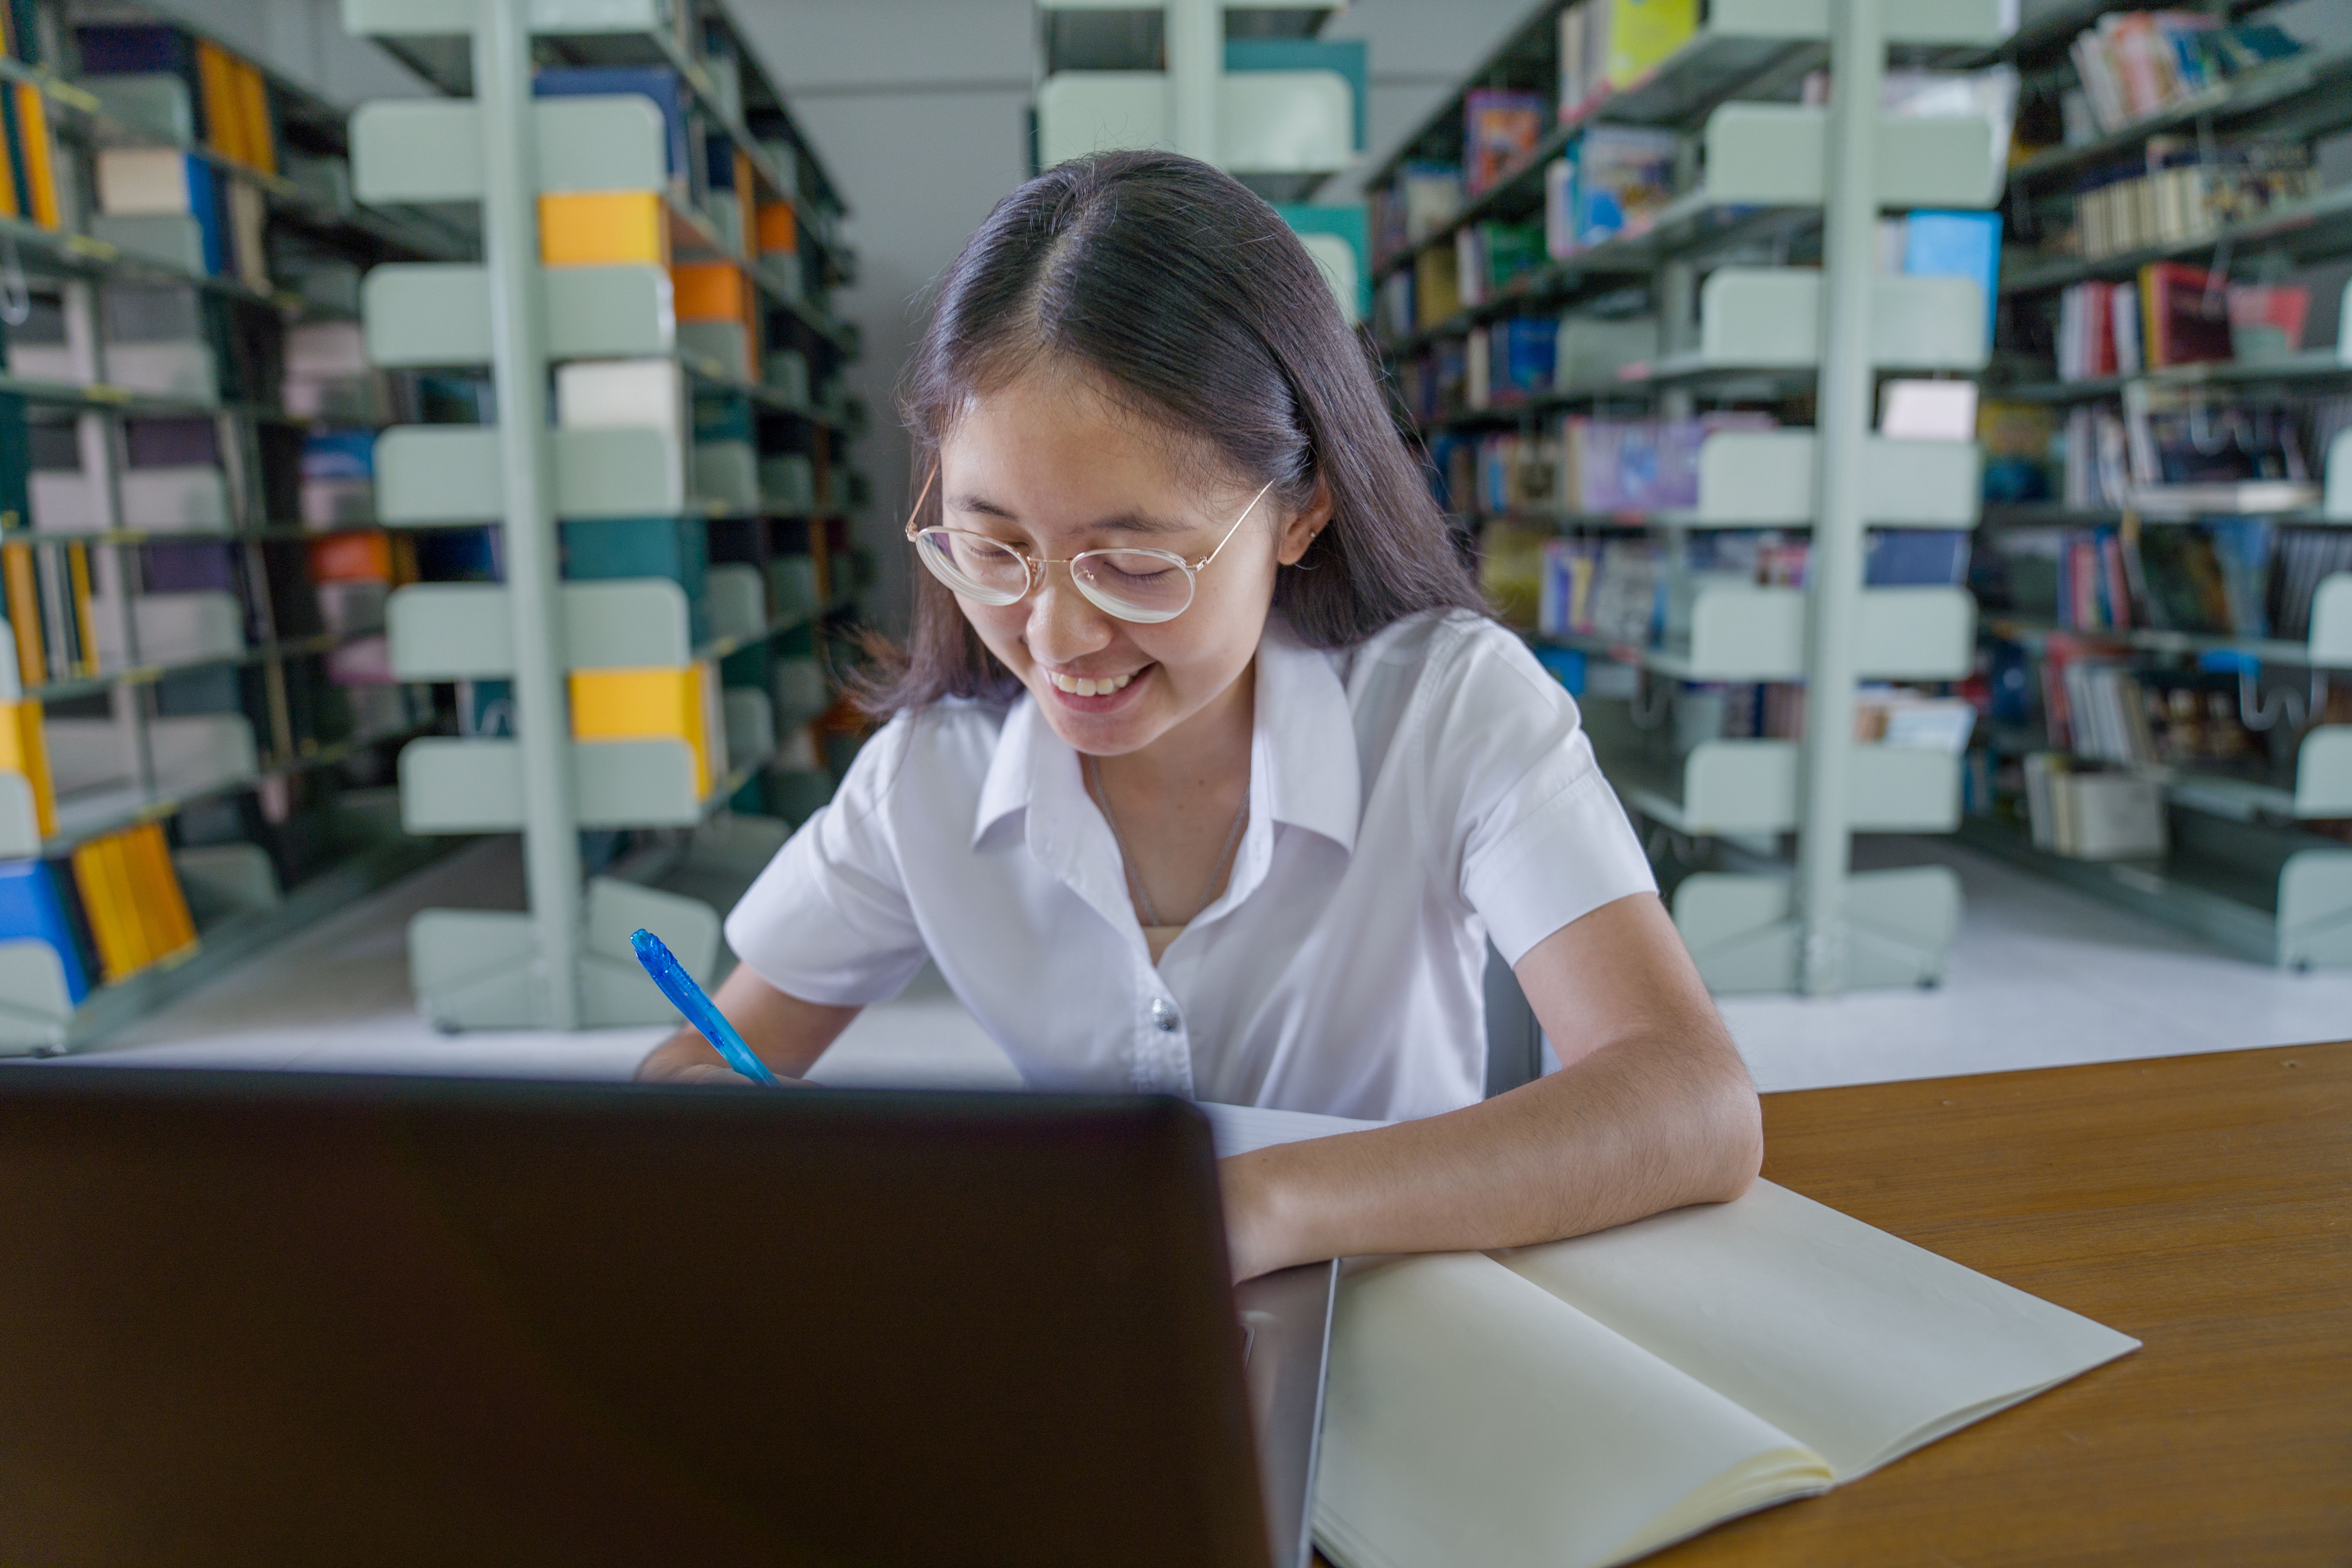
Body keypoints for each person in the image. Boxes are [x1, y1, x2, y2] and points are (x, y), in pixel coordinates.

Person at [639, 151, 1760, 1280]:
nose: (1055, 636)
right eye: (994, 549)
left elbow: (1693, 1101)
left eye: (1132, 563)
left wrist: (1249, 1208)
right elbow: (701, 1053)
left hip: (1403, 1311)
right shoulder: (923, 779)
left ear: (1301, 510)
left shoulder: (1450, 707)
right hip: (1107, 1329)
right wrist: (713, 1115)